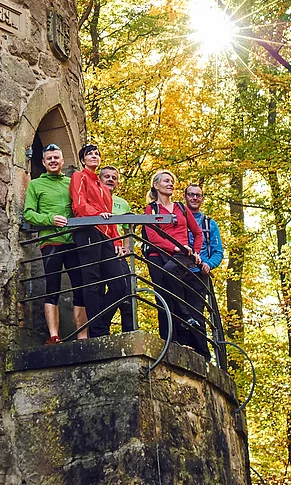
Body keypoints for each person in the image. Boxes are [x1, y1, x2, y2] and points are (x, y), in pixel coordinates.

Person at [23, 143, 86, 343]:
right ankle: (54, 335)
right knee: (53, 288)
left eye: (56, 158)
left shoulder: (71, 182)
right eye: (49, 158)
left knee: (80, 288)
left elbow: (82, 206)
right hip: (50, 242)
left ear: (62, 161)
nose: (52, 161)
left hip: (73, 241)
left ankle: (82, 335)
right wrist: (50, 219)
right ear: (43, 162)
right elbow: (29, 213)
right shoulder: (35, 184)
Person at [142, 168, 208, 357]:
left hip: (181, 256)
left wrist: (194, 251)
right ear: (156, 185)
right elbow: (152, 236)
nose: (171, 184)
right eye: (166, 181)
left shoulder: (180, 207)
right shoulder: (151, 209)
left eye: (172, 181)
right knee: (163, 297)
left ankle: (186, 317)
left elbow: (197, 233)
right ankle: (170, 341)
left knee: (171, 272)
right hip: (158, 255)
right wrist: (175, 247)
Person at [69, 143, 120, 336]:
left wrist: (117, 242)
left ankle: (100, 322)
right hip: (87, 229)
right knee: (92, 280)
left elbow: (111, 218)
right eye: (90, 154)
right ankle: (98, 331)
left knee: (119, 285)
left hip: (105, 234)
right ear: (83, 159)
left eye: (97, 154)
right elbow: (79, 204)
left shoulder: (104, 188)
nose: (94, 156)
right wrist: (98, 214)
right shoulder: (79, 177)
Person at [99, 164, 136, 332]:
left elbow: (128, 228)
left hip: (118, 251)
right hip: (99, 249)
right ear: (99, 179)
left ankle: (129, 331)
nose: (110, 180)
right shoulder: (94, 198)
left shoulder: (122, 203)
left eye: (114, 178)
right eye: (106, 176)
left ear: (118, 184)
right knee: (100, 290)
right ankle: (100, 327)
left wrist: (127, 248)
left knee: (127, 289)